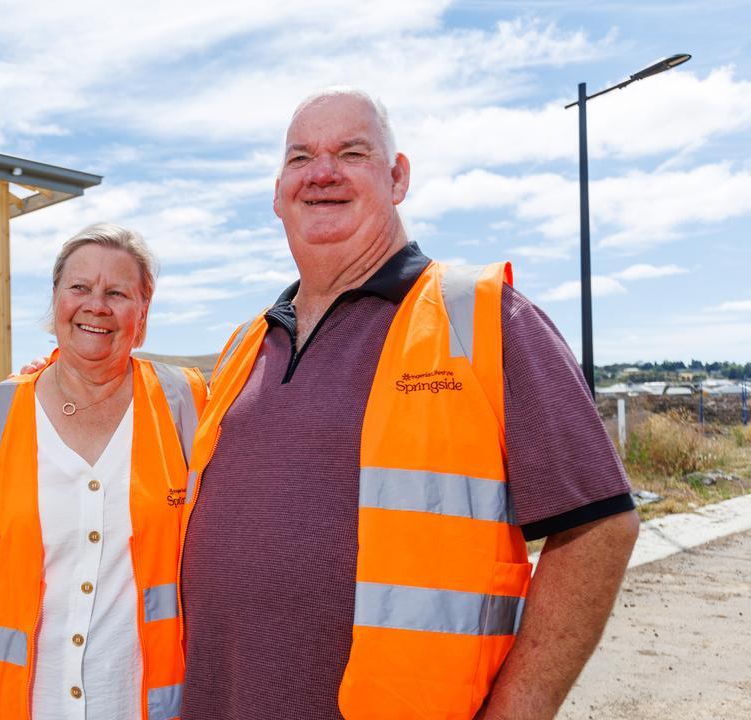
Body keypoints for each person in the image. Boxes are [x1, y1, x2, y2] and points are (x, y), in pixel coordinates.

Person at [178, 88, 640, 719]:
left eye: (351, 152)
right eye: (300, 157)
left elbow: (599, 525)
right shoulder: (246, 346)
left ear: (397, 178)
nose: (322, 172)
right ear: (278, 191)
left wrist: (518, 710)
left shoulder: (482, 318)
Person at [0, 223, 206, 720]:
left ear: (142, 315)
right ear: (55, 300)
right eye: (79, 287)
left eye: (117, 293)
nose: (96, 305)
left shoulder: (187, 403)